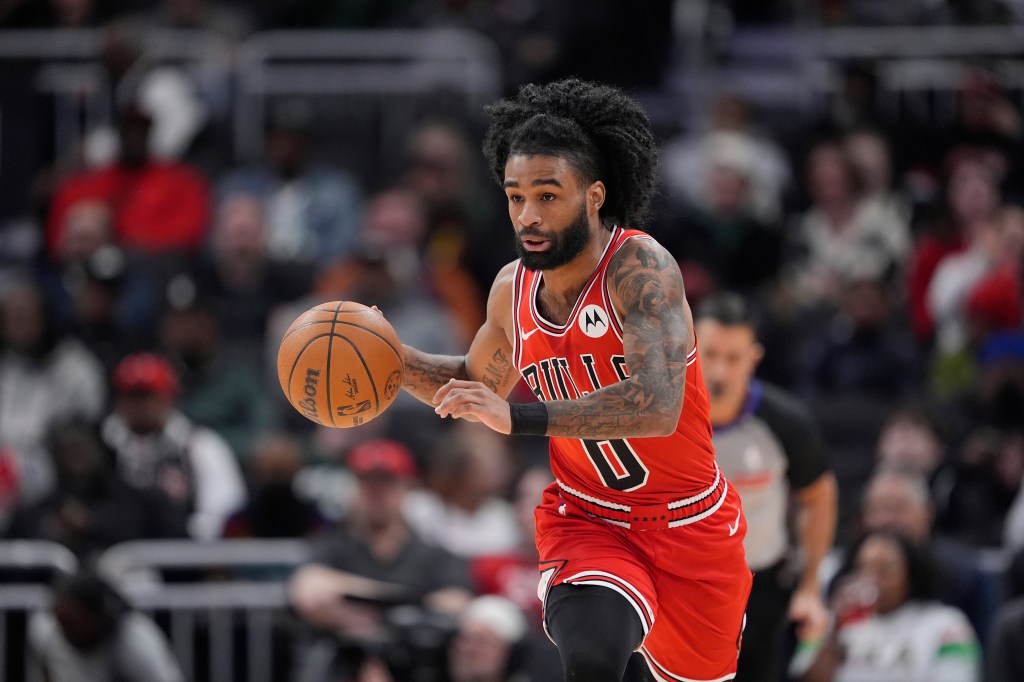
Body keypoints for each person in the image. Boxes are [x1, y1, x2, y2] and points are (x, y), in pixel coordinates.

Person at [398, 78, 752, 682]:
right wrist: (394, 364)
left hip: (690, 524)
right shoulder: (511, 288)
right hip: (586, 519)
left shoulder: (639, 268)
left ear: (592, 196)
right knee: (590, 661)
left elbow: (656, 403)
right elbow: (476, 386)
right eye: (515, 198)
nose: (527, 217)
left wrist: (519, 416)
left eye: (546, 196)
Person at [694, 293, 838, 682]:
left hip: (760, 589)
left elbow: (818, 496)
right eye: (709, 354)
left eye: (734, 357)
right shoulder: (656, 418)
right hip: (678, 589)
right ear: (688, 348)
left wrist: (810, 585)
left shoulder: (787, 422)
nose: (720, 371)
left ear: (754, 358)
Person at [288, 438, 473, 682]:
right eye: (368, 484)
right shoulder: (333, 546)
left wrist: (357, 604)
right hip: (343, 666)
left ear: (407, 488)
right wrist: (407, 606)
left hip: (411, 666)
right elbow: (308, 593)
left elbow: (457, 603)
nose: (376, 495)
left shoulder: (431, 553)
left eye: (387, 484)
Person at [793, 530, 981, 682]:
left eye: (884, 570)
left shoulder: (947, 626)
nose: (870, 579)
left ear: (911, 575)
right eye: (862, 568)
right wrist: (834, 632)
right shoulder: (830, 621)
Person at [28, 571, 185, 682]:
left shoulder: (135, 639)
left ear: (98, 617)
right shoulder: (45, 630)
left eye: (72, 621)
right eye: (61, 621)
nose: (66, 630)